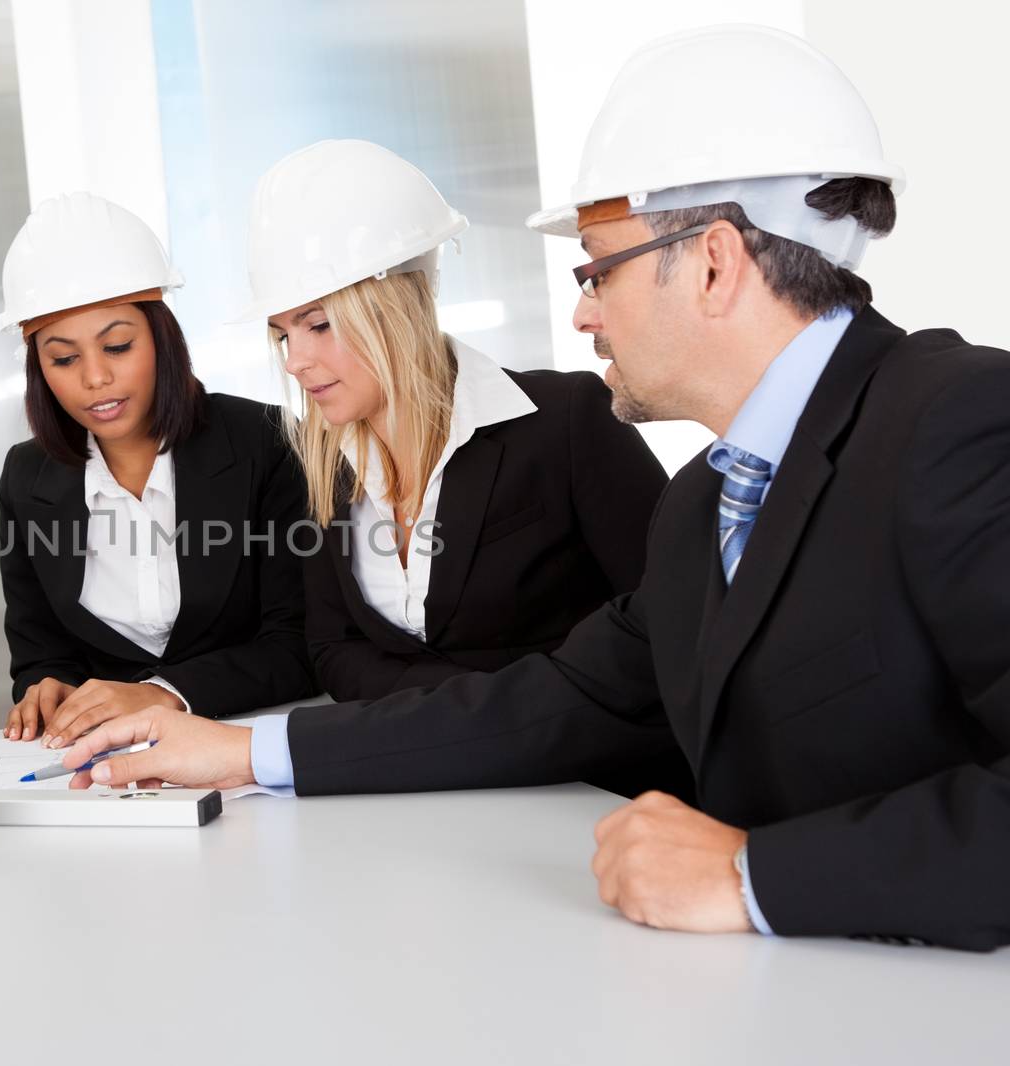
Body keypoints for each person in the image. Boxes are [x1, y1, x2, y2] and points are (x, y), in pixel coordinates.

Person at [59, 25, 1010, 951]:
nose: (583, 311)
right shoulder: (703, 510)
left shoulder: (963, 424)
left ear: (715, 263)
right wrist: (240, 753)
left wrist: (752, 876)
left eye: (599, 271)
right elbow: (546, 704)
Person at [244, 141, 678, 797]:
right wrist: (450, 723)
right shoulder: (325, 466)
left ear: (394, 310)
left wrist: (456, 716)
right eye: (283, 334)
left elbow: (670, 630)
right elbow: (332, 650)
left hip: (593, 796)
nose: (296, 361)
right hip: (423, 793)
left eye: (319, 325)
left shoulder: (564, 419)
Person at [0, 193, 316, 746]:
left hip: (256, 744)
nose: (94, 378)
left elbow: (301, 640)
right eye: (64, 358)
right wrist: (45, 684)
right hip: (107, 758)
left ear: (162, 340)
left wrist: (167, 692)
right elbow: (40, 649)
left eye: (117, 346)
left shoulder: (265, 441)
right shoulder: (26, 476)